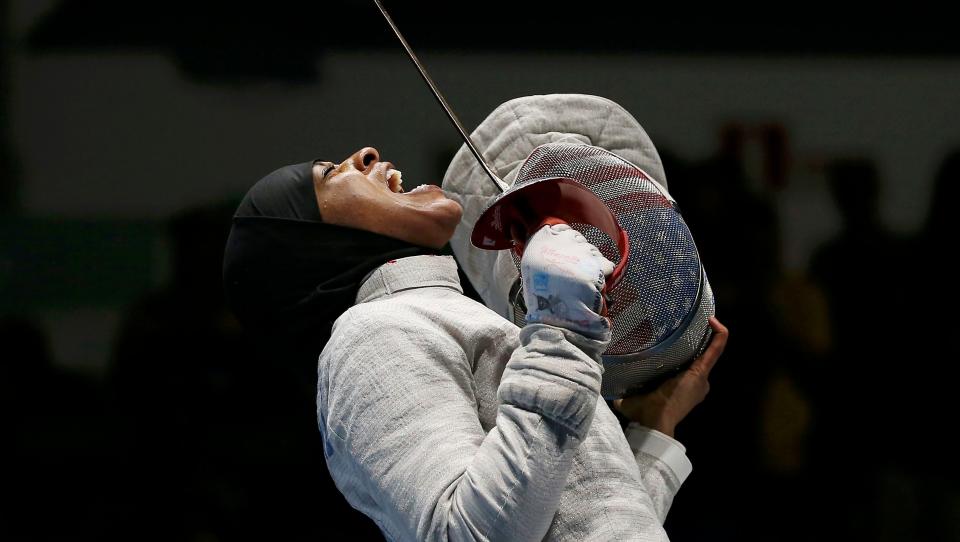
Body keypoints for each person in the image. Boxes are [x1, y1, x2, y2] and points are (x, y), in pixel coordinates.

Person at [223, 94, 728, 541]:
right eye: (331, 176)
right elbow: (465, 534)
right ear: (310, 247)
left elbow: (589, 525)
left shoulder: (450, 318)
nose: (366, 155)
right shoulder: (371, 335)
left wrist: (654, 432)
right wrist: (561, 327)